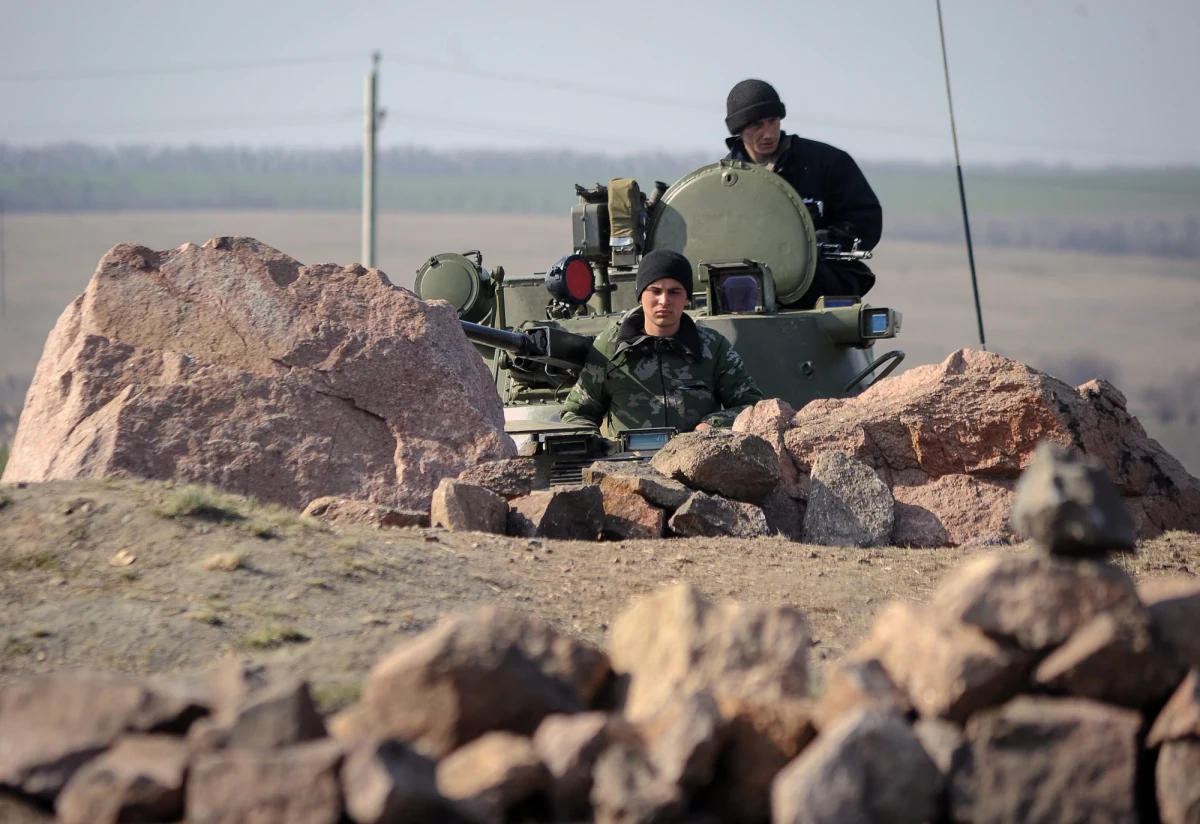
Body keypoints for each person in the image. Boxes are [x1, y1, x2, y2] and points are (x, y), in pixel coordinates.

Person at [560, 249, 764, 434]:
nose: (664, 301)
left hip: (693, 466)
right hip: (625, 469)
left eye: (674, 292)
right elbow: (576, 414)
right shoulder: (609, 348)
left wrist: (713, 424)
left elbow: (752, 407)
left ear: (687, 298)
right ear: (640, 296)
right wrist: (599, 448)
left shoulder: (712, 347)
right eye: (655, 291)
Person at [724, 78, 883, 308]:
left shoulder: (827, 163)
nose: (769, 133)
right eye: (757, 125)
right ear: (739, 129)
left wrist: (810, 245)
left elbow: (864, 219)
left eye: (773, 121)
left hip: (818, 292)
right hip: (745, 297)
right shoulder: (724, 183)